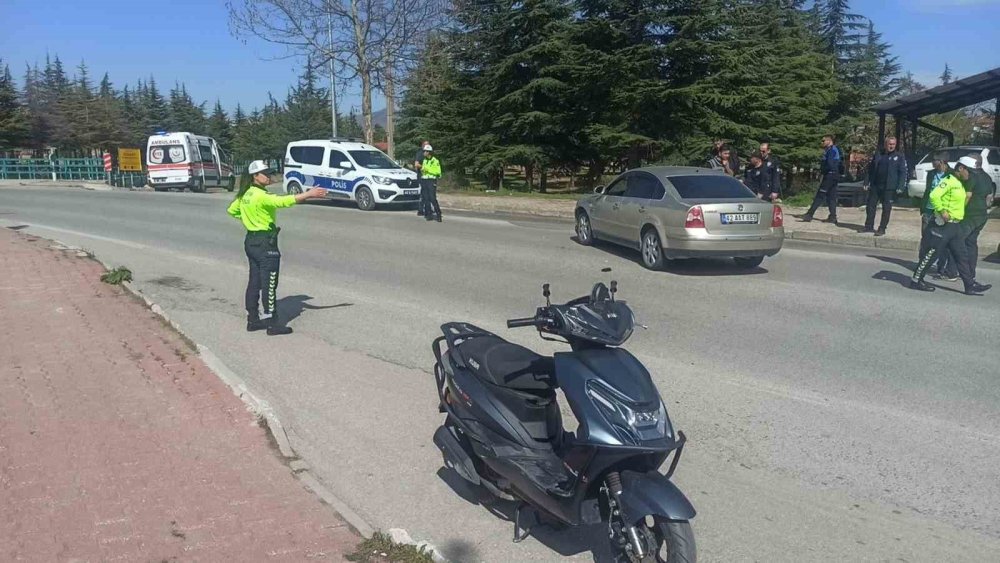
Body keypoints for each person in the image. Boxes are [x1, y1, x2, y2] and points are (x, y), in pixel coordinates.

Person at [227, 161, 326, 335]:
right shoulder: (260, 195)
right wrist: (308, 194)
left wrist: (250, 220)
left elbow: (232, 210)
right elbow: (283, 201)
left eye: (269, 172)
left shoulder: (245, 194)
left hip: (251, 240)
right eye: (264, 173)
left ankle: (253, 320)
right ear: (255, 176)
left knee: (254, 281)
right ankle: (273, 324)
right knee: (269, 283)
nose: (268, 176)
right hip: (265, 242)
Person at [909, 157, 991, 295]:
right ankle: (916, 280)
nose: (969, 175)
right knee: (932, 253)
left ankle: (969, 285)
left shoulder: (960, 182)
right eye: (969, 172)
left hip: (955, 226)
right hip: (943, 226)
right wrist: (942, 211)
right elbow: (934, 196)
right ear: (961, 168)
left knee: (962, 256)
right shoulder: (949, 181)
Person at [863, 136, 907, 236]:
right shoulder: (878, 154)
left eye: (893, 144)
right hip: (876, 185)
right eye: (889, 144)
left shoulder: (899, 156)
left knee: (886, 209)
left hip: (889, 187)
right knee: (870, 206)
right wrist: (866, 182)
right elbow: (870, 170)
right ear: (885, 144)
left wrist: (901, 186)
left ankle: (882, 228)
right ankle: (868, 226)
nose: (891, 146)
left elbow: (903, 173)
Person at [960, 154, 994, 279]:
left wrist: (960, 209)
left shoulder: (971, 176)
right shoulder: (987, 177)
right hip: (982, 215)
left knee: (957, 242)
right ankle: (971, 272)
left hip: (969, 214)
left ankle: (952, 272)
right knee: (971, 243)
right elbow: (989, 197)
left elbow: (967, 195)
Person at [802, 135, 842, 225]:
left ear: (829, 141)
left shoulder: (831, 151)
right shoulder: (832, 150)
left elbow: (830, 164)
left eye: (823, 141)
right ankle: (833, 216)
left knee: (820, 195)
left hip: (830, 175)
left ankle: (809, 214)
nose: (822, 142)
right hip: (834, 176)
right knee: (831, 196)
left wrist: (824, 170)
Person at [420, 144, 442, 222]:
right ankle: (428, 214)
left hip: (431, 180)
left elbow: (438, 172)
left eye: (425, 151)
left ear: (429, 152)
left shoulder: (435, 161)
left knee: (432, 198)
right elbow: (423, 169)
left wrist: (428, 170)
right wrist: (423, 170)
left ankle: (438, 214)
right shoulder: (425, 160)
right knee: (426, 198)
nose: (424, 153)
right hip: (425, 180)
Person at [414, 139, 429, 217]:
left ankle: (426, 209)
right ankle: (420, 210)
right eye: (426, 144)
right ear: (422, 146)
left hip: (429, 177)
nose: (427, 146)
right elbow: (416, 164)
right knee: (423, 193)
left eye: (428, 144)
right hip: (421, 177)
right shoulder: (420, 153)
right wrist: (424, 167)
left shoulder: (429, 154)